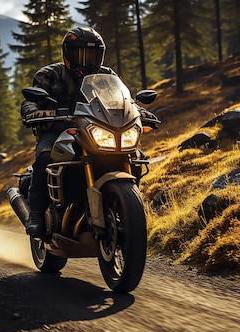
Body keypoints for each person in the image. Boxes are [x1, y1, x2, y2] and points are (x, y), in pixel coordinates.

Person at [20, 27, 159, 236]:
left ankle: (127, 207)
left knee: (136, 156)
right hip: (58, 130)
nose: (88, 61)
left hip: (96, 129)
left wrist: (139, 111)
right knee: (45, 157)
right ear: (68, 54)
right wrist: (35, 113)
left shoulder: (106, 75)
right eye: (82, 54)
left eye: (94, 55)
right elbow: (30, 102)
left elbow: (122, 100)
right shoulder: (49, 74)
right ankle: (37, 215)